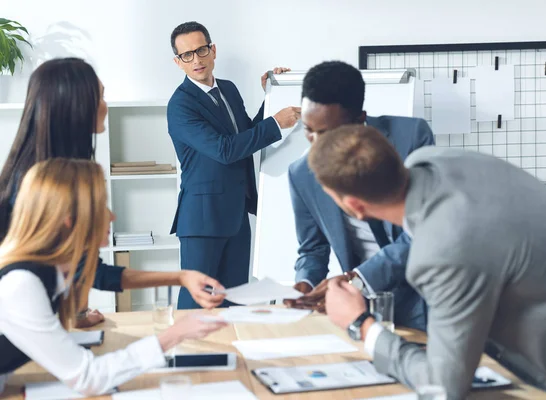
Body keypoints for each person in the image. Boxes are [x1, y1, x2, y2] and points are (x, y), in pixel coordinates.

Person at [308, 124, 546, 400]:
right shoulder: (435, 159)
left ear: (354, 207)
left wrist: (361, 323)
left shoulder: (441, 253)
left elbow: (443, 388)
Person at [0, 58, 227, 328]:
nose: (105, 106)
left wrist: (76, 313)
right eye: (100, 97)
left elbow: (84, 268)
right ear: (75, 108)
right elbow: (79, 271)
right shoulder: (41, 183)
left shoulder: (53, 171)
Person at [0, 158, 228, 396]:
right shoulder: (22, 284)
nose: (112, 216)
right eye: (101, 206)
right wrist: (177, 333)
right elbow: (89, 378)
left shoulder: (51, 270)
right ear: (69, 219)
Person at [285, 61, 433, 330]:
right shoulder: (301, 174)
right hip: (361, 304)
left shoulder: (411, 139)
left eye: (328, 133)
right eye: (309, 130)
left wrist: (359, 278)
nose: (317, 144)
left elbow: (423, 230)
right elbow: (312, 248)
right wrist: (304, 284)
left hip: (425, 296)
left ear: (359, 121)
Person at [167, 22, 301, 309]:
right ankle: (192, 356)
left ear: (213, 50)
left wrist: (272, 95)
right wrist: (276, 123)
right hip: (202, 220)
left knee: (236, 303)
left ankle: (229, 356)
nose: (197, 60)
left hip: (238, 215)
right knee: (198, 304)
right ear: (178, 63)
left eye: (201, 50)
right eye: (187, 55)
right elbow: (224, 150)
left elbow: (244, 138)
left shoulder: (228, 89)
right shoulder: (180, 105)